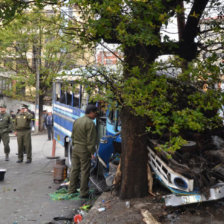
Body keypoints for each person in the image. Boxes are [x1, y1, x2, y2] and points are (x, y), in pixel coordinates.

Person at [68, 104, 98, 198]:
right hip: (84, 150)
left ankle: (71, 190)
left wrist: (74, 146)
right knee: (85, 170)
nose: (96, 115)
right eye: (95, 113)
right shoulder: (90, 123)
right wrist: (92, 152)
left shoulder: (77, 120)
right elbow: (91, 140)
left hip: (75, 148)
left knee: (74, 169)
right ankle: (83, 192)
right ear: (91, 112)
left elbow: (72, 136)